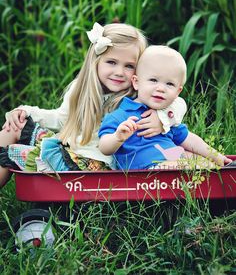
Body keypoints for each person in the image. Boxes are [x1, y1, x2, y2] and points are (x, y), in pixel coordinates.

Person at [0, 23, 169, 187]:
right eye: (111, 62)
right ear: (96, 60)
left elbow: (177, 101)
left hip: (94, 168)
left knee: (14, 152)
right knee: (14, 127)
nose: (119, 72)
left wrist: (162, 118)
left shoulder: (137, 95)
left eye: (129, 66)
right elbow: (61, 119)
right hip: (70, 152)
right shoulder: (80, 90)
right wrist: (27, 111)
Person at [98, 45, 232, 170]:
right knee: (183, 165)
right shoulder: (121, 115)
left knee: (206, 164)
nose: (161, 88)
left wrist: (216, 156)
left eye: (169, 84)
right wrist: (117, 137)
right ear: (137, 82)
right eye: (153, 80)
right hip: (147, 170)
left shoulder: (164, 117)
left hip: (174, 161)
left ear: (178, 92)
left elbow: (189, 139)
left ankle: (223, 171)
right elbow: (104, 147)